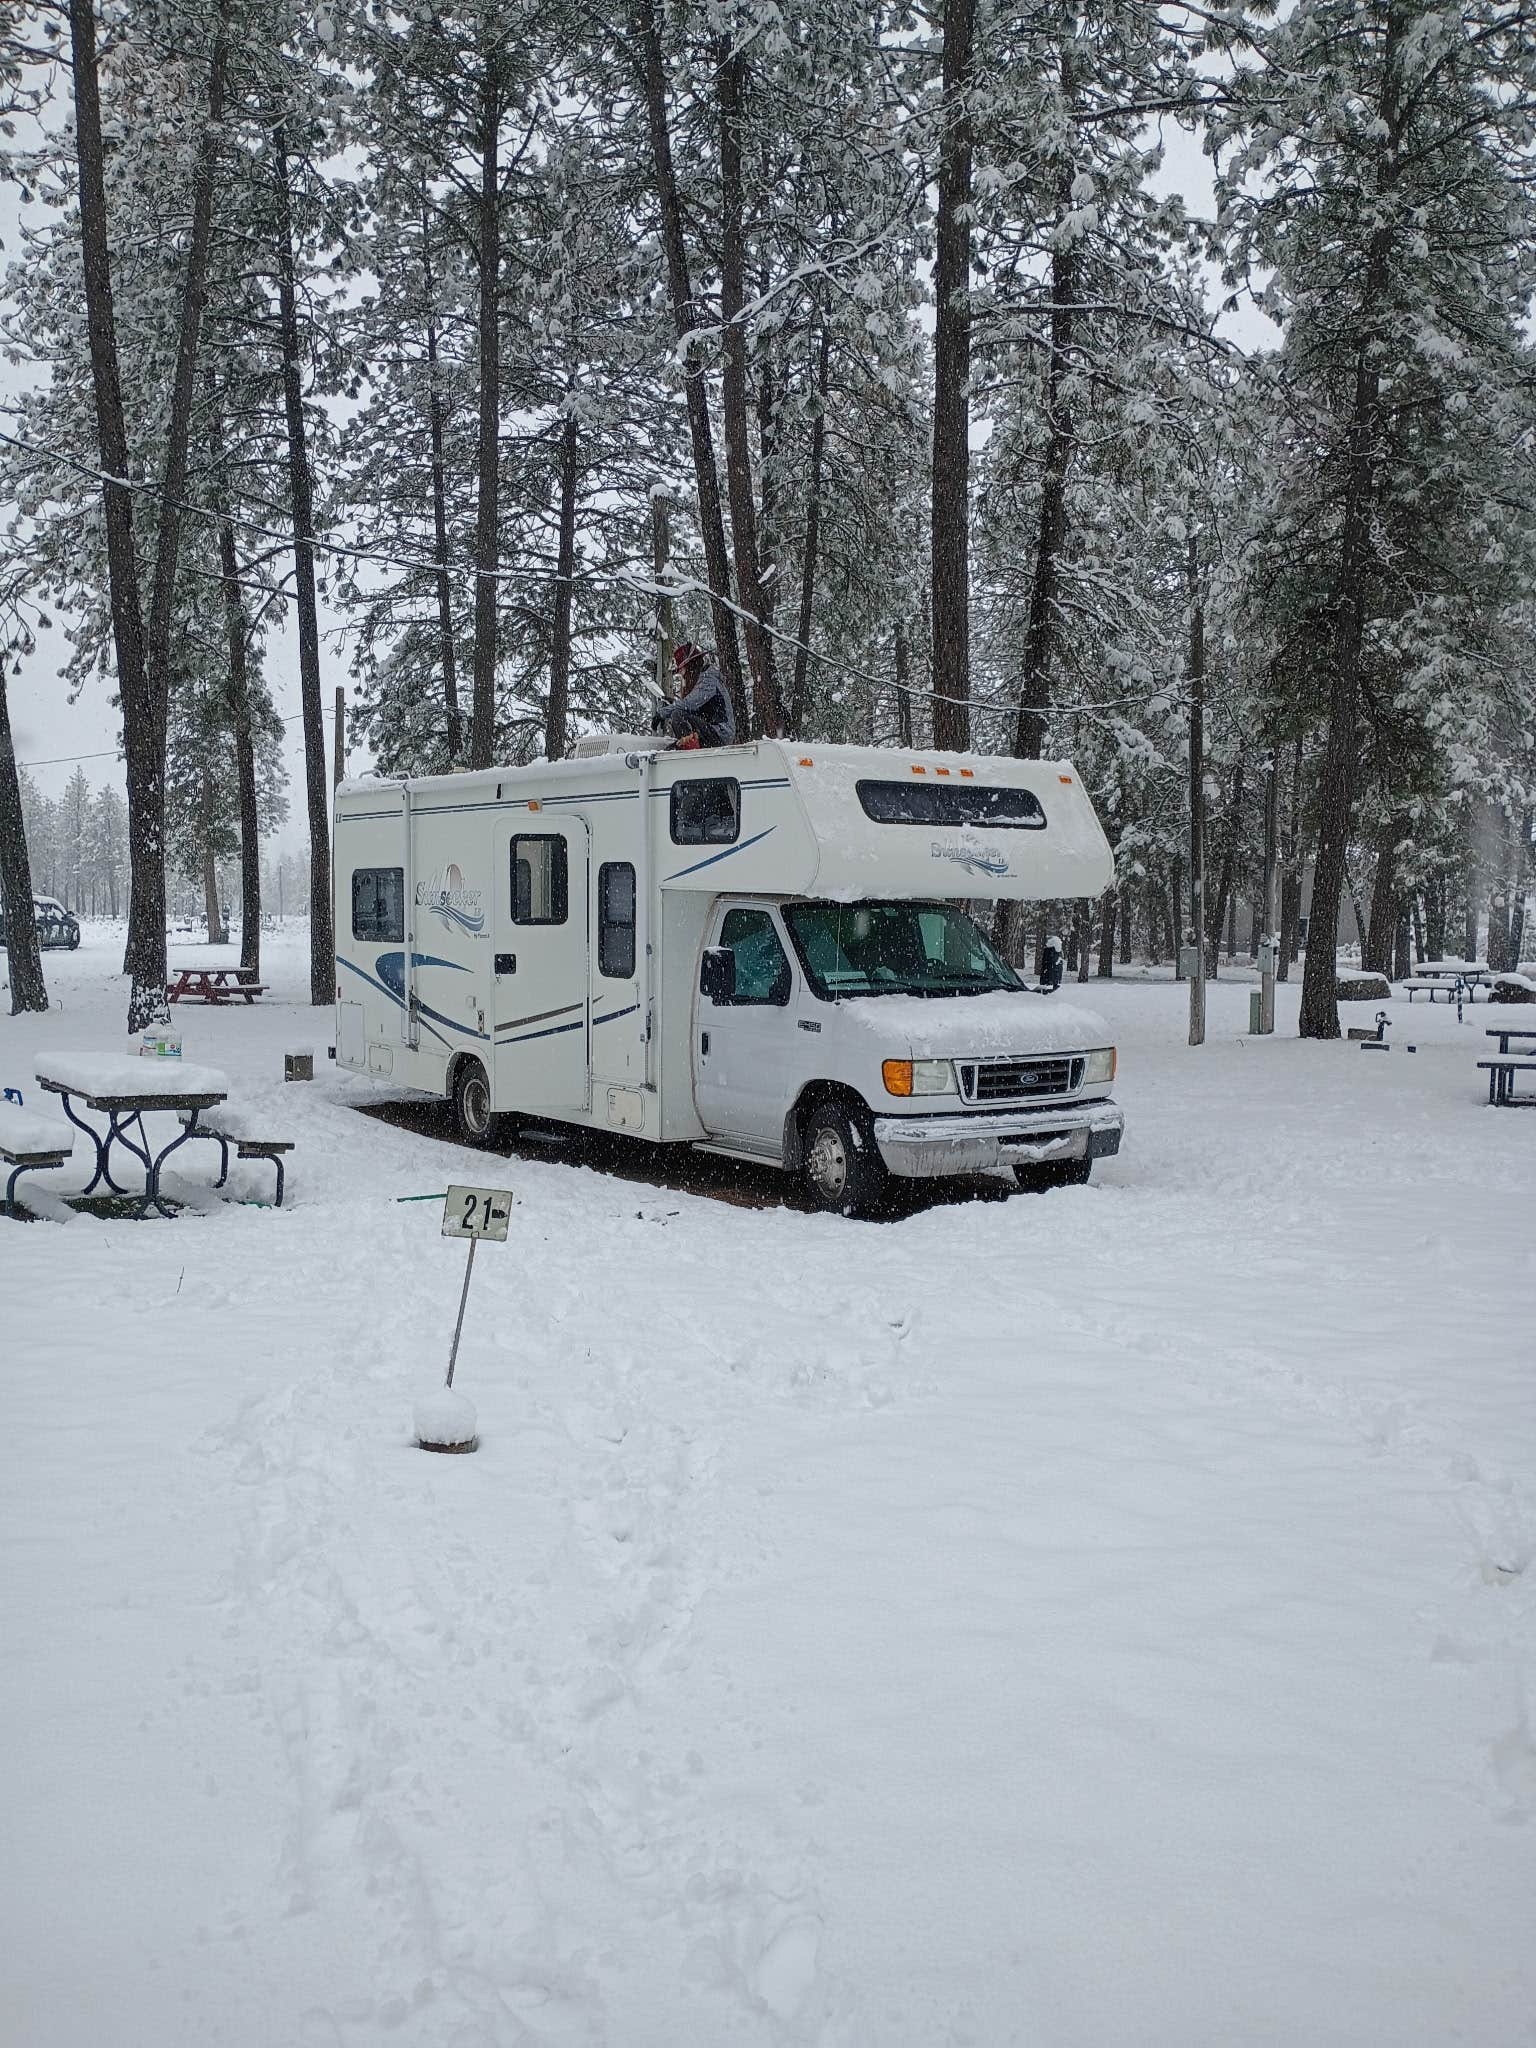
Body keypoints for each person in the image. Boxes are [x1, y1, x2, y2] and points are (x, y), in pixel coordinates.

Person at [652, 642, 736, 748]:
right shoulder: (702, 680)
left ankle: (690, 747)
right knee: (670, 748)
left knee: (678, 715)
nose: (681, 674)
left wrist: (663, 713)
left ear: (690, 665)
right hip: (710, 732)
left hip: (720, 733)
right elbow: (695, 708)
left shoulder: (708, 679)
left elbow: (690, 704)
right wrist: (673, 704)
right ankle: (689, 745)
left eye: (682, 670)